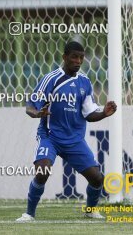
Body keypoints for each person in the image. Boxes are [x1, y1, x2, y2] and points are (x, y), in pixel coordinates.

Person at [16, 41, 117, 222]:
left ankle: (90, 211)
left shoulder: (84, 82)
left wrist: (103, 113)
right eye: (74, 57)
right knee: (43, 171)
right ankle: (29, 214)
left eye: (81, 58)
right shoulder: (51, 79)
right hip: (50, 137)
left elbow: (88, 113)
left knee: (97, 178)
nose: (78, 61)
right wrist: (37, 113)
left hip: (74, 140)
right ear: (64, 57)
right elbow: (30, 106)